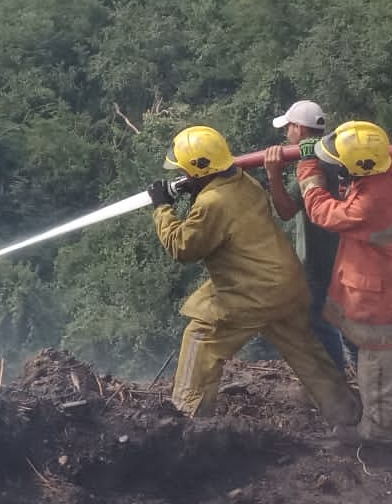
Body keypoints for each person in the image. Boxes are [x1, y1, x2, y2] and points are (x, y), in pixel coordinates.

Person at [147, 124, 361, 426]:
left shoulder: (212, 203)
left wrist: (161, 209)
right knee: (307, 353)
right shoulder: (242, 180)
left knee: (201, 338)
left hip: (253, 292)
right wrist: (195, 189)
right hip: (284, 284)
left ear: (198, 170)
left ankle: (186, 422)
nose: (181, 177)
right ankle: (348, 416)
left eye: (184, 171)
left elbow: (183, 247)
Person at [296, 120, 392, 446]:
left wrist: (308, 166)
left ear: (356, 167)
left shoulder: (368, 203)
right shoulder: (390, 170)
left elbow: (322, 212)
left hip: (384, 300)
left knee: (380, 370)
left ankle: (379, 436)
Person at [263, 100, 354, 375]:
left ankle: (337, 384)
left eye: (288, 128)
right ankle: (369, 385)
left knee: (321, 321)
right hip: (350, 257)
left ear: (299, 129)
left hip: (319, 260)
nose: (286, 134)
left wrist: (273, 175)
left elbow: (286, 210)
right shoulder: (339, 154)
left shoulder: (313, 161)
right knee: (349, 322)